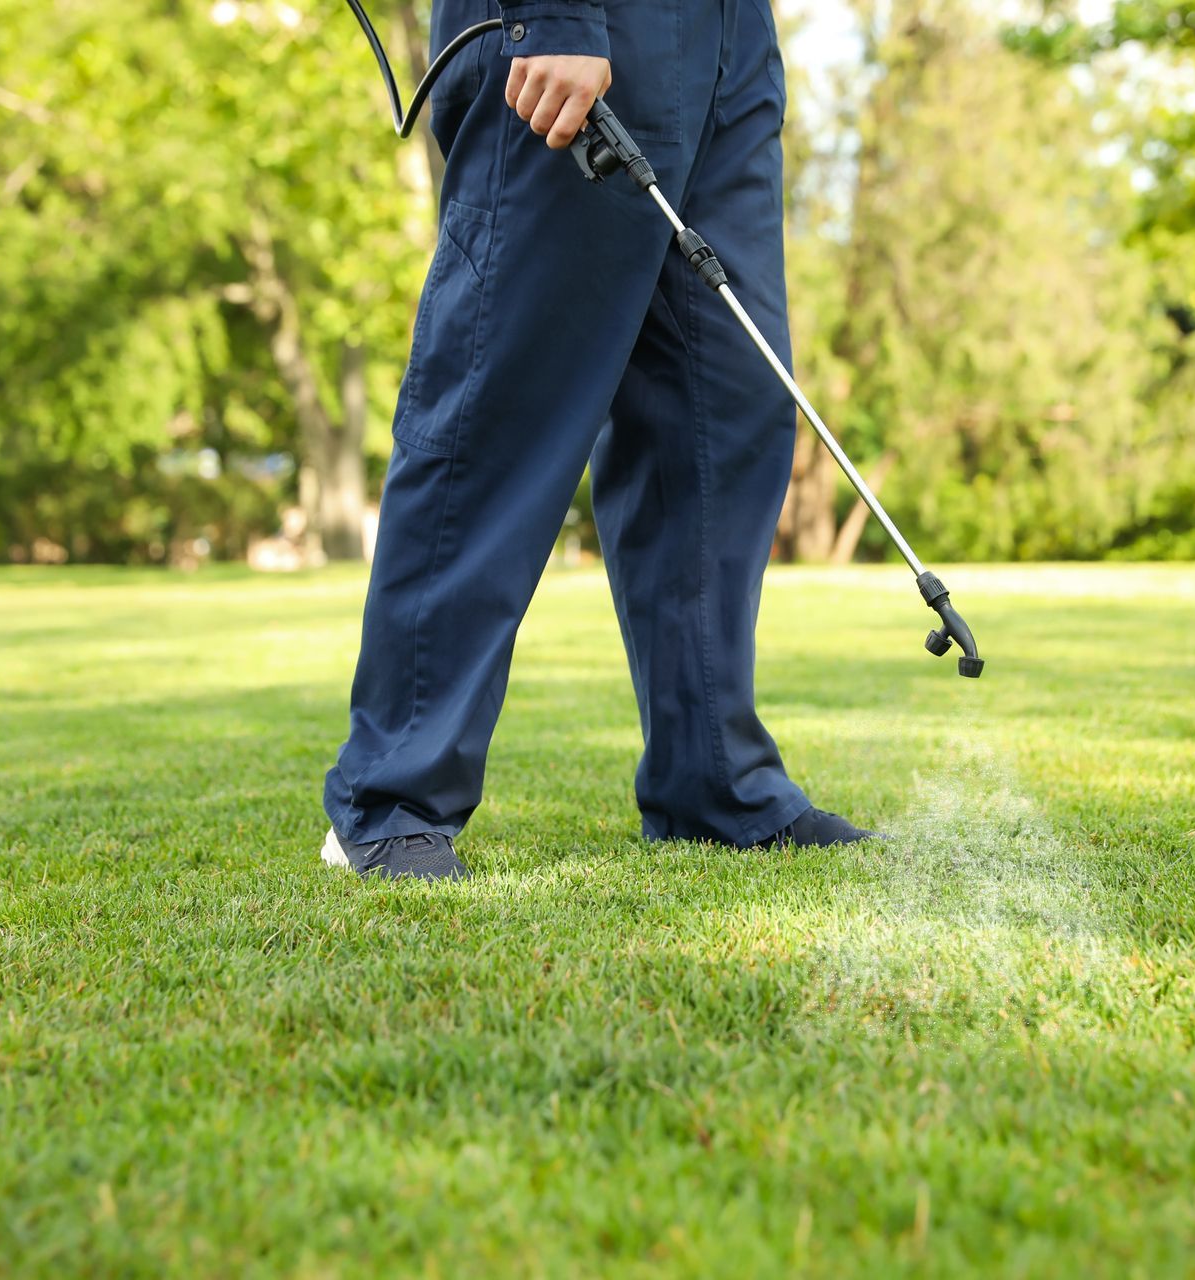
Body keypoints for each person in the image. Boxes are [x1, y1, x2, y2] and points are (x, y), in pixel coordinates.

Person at [321, 0, 877, 881]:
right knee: (504, 403)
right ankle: (392, 797)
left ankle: (712, 786)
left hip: (731, 40)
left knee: (723, 409)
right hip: (575, 26)